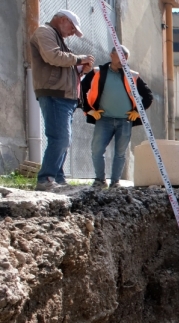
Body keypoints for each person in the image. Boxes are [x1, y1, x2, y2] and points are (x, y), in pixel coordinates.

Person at [30, 10, 94, 191]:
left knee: (64, 138)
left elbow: (64, 68)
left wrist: (82, 69)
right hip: (54, 93)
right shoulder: (45, 32)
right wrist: (79, 59)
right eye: (72, 28)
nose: (73, 33)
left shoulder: (58, 39)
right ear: (63, 20)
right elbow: (53, 57)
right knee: (60, 138)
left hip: (64, 95)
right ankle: (46, 179)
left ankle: (57, 176)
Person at [81, 45, 153, 188]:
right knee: (97, 150)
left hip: (125, 121)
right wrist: (89, 110)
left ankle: (115, 182)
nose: (123, 62)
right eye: (120, 58)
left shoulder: (132, 76)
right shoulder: (97, 73)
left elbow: (148, 96)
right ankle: (100, 180)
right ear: (111, 55)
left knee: (120, 153)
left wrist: (138, 112)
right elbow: (81, 89)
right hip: (103, 119)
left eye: (125, 59)